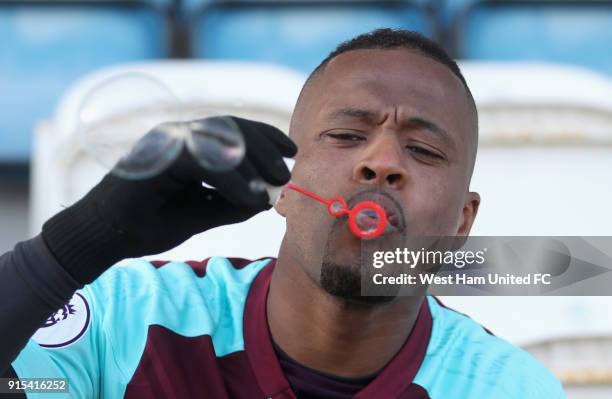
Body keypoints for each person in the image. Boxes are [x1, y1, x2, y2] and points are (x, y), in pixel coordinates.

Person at [0, 29, 565, 398]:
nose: (382, 163)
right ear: (285, 184)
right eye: (346, 135)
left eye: (424, 151)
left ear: (462, 225)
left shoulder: (511, 389)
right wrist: (73, 247)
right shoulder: (123, 322)